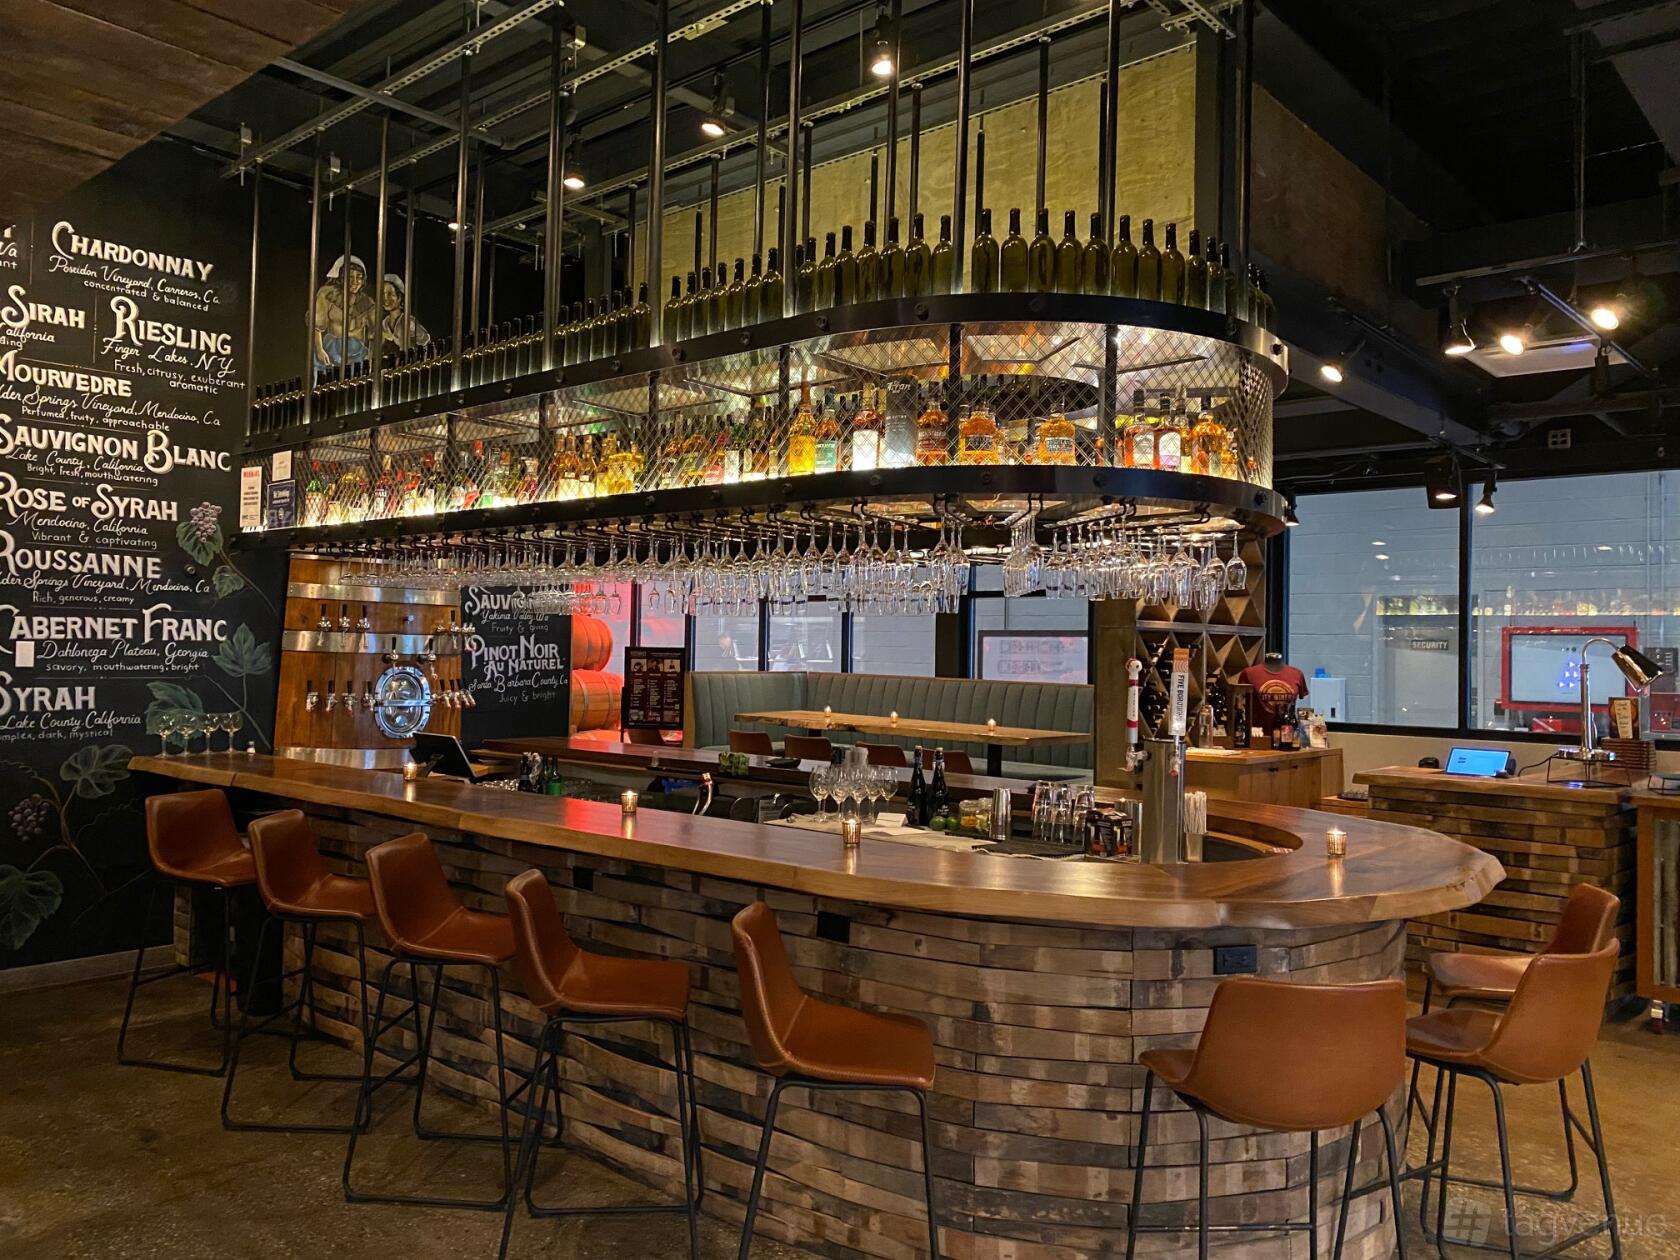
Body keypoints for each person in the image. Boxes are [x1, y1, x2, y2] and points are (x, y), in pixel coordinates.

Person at [312, 254, 377, 377]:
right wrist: (320, 350)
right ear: (342, 278)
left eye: (359, 277)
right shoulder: (328, 295)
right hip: (332, 351)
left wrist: (370, 357)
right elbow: (316, 327)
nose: (354, 282)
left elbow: (375, 334)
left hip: (358, 354)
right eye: (350, 277)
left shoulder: (368, 303)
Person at [380, 273, 430, 353]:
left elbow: (426, 341)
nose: (386, 299)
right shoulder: (385, 323)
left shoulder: (409, 322)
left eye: (390, 294)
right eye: (383, 294)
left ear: (399, 297)